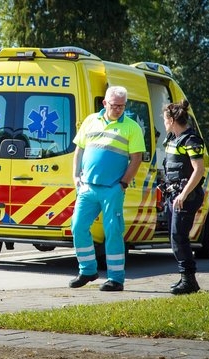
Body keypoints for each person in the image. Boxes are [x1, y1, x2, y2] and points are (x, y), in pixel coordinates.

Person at [69, 86, 145, 292]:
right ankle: (87, 270)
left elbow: (136, 158)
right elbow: (79, 150)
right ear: (105, 103)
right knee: (77, 226)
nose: (118, 109)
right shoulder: (90, 120)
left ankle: (116, 279)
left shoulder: (131, 127)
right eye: (114, 105)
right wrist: (76, 176)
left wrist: (123, 184)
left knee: (113, 231)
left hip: (113, 189)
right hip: (87, 187)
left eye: (122, 106)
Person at [162, 100, 205, 295]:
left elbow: (199, 170)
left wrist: (184, 194)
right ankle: (186, 279)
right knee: (175, 237)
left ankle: (189, 280)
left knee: (179, 237)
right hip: (175, 195)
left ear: (171, 120)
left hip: (186, 196)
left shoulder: (191, 139)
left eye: (164, 119)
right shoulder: (173, 138)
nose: (164, 123)